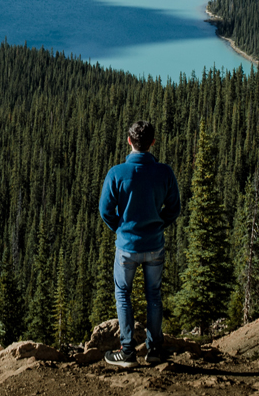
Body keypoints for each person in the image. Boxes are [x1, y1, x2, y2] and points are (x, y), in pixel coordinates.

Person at [98, 119, 181, 368]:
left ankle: (127, 352)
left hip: (127, 247)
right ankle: (154, 350)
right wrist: (157, 224)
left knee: (123, 294)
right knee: (154, 295)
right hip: (154, 245)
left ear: (129, 141)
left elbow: (105, 210)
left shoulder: (117, 173)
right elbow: (174, 209)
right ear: (153, 143)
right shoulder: (164, 172)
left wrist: (121, 229)